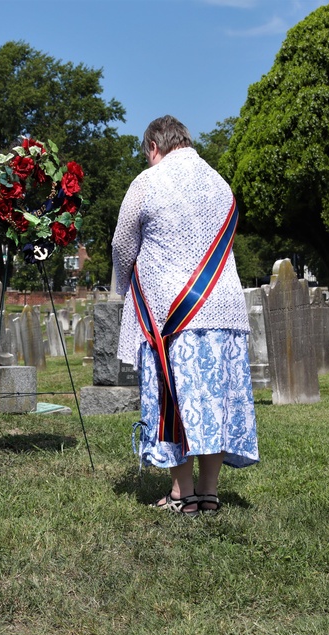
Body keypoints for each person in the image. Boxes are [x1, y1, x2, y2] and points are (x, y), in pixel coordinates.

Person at [112, 115, 259, 516]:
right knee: (215, 404)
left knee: (173, 400)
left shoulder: (147, 182)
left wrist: (123, 289)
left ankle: (182, 494)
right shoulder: (222, 184)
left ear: (154, 148)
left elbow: (123, 244)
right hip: (224, 308)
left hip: (173, 312)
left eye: (147, 156)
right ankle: (209, 494)